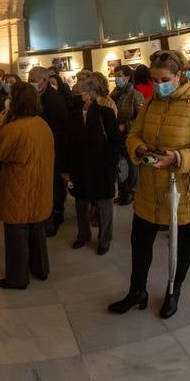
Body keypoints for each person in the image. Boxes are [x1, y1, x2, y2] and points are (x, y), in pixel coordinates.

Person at [109, 50, 190, 319]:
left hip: (184, 190)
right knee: (140, 241)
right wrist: (140, 148)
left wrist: (177, 157)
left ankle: (173, 290)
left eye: (164, 80)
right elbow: (133, 135)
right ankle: (137, 291)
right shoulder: (150, 103)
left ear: (179, 75)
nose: (159, 86)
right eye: (155, 81)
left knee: (180, 244)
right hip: (150, 189)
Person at [0, 80, 54, 289]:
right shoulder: (42, 124)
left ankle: (17, 278)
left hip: (19, 187)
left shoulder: (13, 129)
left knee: (16, 235)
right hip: (40, 186)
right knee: (37, 230)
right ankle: (41, 269)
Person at [66, 75, 120, 255]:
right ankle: (83, 234)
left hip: (102, 167)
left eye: (78, 92)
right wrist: (67, 169)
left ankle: (104, 239)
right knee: (81, 203)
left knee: (105, 206)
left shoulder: (105, 113)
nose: (75, 95)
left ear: (89, 94)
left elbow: (115, 141)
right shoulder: (72, 115)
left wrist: (110, 163)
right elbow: (69, 143)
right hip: (80, 167)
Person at [28, 66, 70, 236]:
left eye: (33, 79)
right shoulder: (38, 96)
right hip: (41, 149)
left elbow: (58, 129)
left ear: (43, 81)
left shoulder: (53, 99)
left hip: (53, 149)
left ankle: (55, 217)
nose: (30, 82)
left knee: (54, 185)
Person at [112, 64, 144, 205]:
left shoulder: (136, 95)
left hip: (129, 136)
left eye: (119, 76)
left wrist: (126, 126)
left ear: (127, 77)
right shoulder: (113, 94)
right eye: (115, 76)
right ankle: (122, 191)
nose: (116, 79)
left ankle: (131, 192)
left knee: (131, 166)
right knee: (120, 166)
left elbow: (141, 118)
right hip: (117, 137)